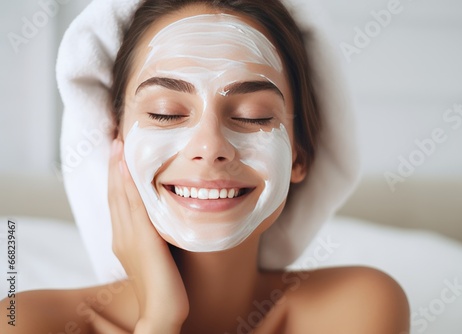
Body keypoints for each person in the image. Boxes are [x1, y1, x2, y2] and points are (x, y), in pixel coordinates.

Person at [1, 0, 409, 333]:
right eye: (165, 113)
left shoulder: (357, 308)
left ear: (299, 155)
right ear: (115, 140)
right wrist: (160, 318)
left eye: (252, 115)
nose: (210, 146)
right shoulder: (24, 322)